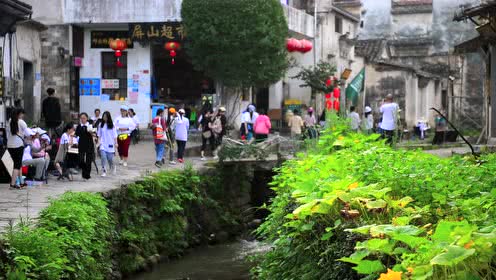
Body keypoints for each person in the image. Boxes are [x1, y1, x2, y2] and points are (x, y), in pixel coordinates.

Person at [6, 109, 28, 189]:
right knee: (17, 165)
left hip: (10, 146)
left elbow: (7, 133)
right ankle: (12, 184)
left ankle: (21, 182)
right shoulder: (21, 122)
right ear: (19, 114)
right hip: (18, 145)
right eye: (22, 114)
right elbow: (28, 133)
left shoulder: (10, 121)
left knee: (17, 164)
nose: (23, 116)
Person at [98, 111, 118, 177]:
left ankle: (113, 167)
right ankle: (104, 171)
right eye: (104, 116)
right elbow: (99, 135)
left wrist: (116, 143)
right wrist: (99, 142)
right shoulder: (101, 125)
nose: (105, 118)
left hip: (110, 144)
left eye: (106, 117)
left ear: (108, 117)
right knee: (103, 157)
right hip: (103, 144)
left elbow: (115, 135)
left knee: (110, 159)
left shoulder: (112, 125)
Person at [76, 113, 95, 180]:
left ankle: (86, 175)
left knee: (88, 160)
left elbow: (95, 135)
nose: (82, 119)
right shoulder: (79, 126)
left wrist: (91, 132)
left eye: (84, 118)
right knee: (80, 160)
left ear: (87, 118)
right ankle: (84, 171)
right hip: (81, 144)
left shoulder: (90, 125)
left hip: (89, 144)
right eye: (81, 118)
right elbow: (77, 134)